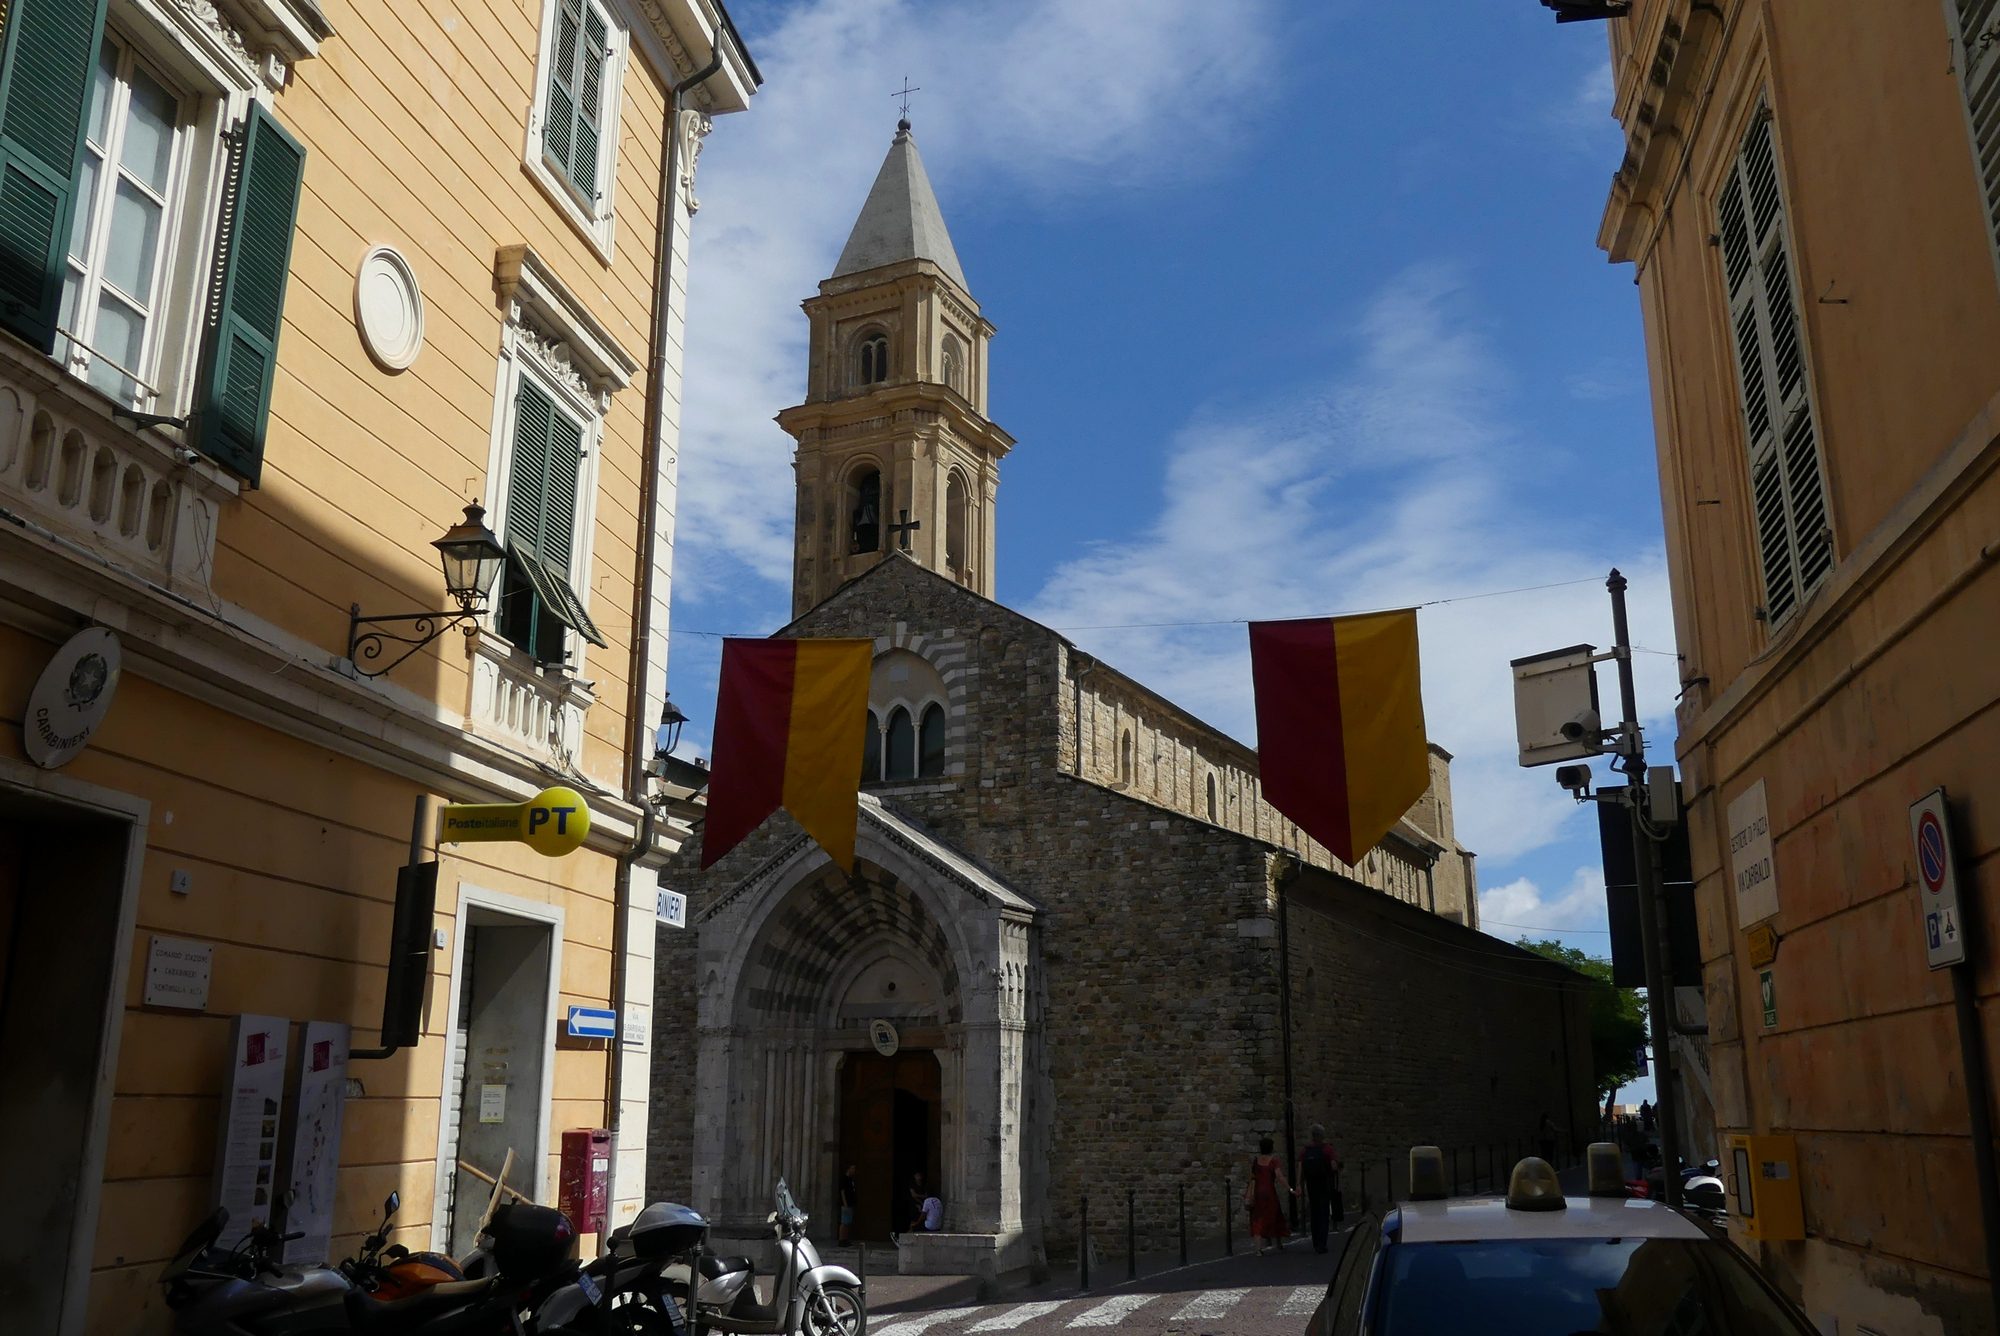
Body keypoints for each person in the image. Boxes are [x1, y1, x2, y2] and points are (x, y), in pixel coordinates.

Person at [1243, 1135, 1294, 1254]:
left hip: (1257, 1193)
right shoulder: (1273, 1161)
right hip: (1269, 1193)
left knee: (1257, 1220)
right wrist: (1290, 1189)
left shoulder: (1256, 1161)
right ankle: (1279, 1243)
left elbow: (1252, 1177)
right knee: (1275, 1215)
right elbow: (1280, 1177)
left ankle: (1258, 1249)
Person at [1297, 1123, 1343, 1254]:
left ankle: (1315, 1241)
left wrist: (1299, 1184)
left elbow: (1300, 1167)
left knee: (1314, 1212)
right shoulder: (1327, 1149)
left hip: (1311, 1185)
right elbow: (1334, 1166)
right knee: (1323, 1213)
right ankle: (1322, 1244)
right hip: (1324, 1183)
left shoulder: (1305, 1150)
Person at [838, 1164, 858, 1244]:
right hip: (846, 1204)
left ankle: (845, 1239)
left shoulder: (851, 1179)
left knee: (848, 1222)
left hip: (850, 1203)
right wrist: (845, 1203)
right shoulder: (844, 1179)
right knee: (844, 1222)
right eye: (852, 1168)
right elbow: (842, 1191)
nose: (854, 1170)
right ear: (848, 1169)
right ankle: (841, 1240)